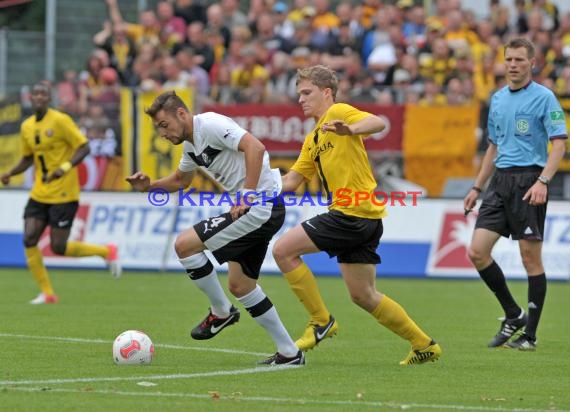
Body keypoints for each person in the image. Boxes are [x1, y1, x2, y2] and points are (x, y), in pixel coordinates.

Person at [272, 65, 442, 365]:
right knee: (364, 295)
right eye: (299, 93)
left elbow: (377, 122)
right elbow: (292, 181)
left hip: (351, 213)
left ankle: (320, 320)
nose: (301, 99)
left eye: (307, 92)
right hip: (364, 219)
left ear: (326, 93)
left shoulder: (339, 112)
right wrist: (257, 188)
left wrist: (350, 129)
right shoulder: (312, 139)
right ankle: (423, 345)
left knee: (283, 250)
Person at [125, 90, 304, 366]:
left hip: (259, 206)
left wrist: (247, 193)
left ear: (182, 114)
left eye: (164, 124)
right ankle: (290, 353)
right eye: (158, 128)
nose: (162, 133)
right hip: (259, 208)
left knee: (184, 245)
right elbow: (181, 180)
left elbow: (255, 148)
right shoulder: (190, 146)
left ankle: (221, 312)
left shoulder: (210, 124)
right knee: (241, 285)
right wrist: (149, 186)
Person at [463, 37, 567, 351]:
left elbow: (559, 145)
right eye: (509, 59)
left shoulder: (545, 98)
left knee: (529, 258)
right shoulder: (496, 99)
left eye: (519, 60)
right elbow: (493, 148)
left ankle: (530, 336)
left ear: (531, 63)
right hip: (500, 184)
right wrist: (476, 187)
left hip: (530, 181)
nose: (512, 65)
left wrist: (543, 182)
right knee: (477, 252)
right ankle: (512, 313)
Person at [0, 82, 121, 305]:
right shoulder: (26, 126)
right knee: (29, 238)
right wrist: (9, 172)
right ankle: (47, 293)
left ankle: (106, 251)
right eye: (35, 93)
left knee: (58, 247)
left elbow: (84, 146)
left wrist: (64, 168)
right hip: (40, 192)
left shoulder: (60, 121)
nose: (38, 97)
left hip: (64, 194)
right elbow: (28, 158)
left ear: (49, 98)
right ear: (30, 98)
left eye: (42, 94)